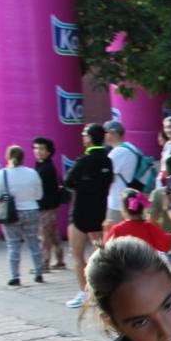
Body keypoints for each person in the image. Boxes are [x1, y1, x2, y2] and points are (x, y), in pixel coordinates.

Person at [63, 123, 115, 308]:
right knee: (100, 253)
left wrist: (82, 185)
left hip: (79, 213)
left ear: (90, 138)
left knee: (76, 255)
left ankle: (84, 293)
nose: (83, 138)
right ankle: (100, 290)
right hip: (99, 213)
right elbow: (109, 182)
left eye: (85, 135)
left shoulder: (83, 161)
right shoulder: (107, 161)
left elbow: (68, 182)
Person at [0, 145, 44, 287]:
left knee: (13, 244)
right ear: (23, 157)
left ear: (8, 157)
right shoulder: (32, 173)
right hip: (31, 210)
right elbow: (39, 194)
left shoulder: (2, 174)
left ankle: (15, 276)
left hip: (11, 213)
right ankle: (39, 272)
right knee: (34, 242)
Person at [107, 187, 171, 254]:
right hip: (147, 265)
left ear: (124, 209)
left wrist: (105, 232)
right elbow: (167, 243)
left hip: (123, 266)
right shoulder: (150, 228)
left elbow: (106, 252)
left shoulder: (116, 230)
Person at [33, 136, 66, 271]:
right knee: (52, 233)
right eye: (35, 148)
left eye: (41, 148)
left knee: (44, 235)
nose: (38, 151)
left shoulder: (46, 168)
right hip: (50, 205)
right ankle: (59, 260)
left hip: (46, 206)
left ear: (48, 151)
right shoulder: (43, 165)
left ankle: (44, 264)